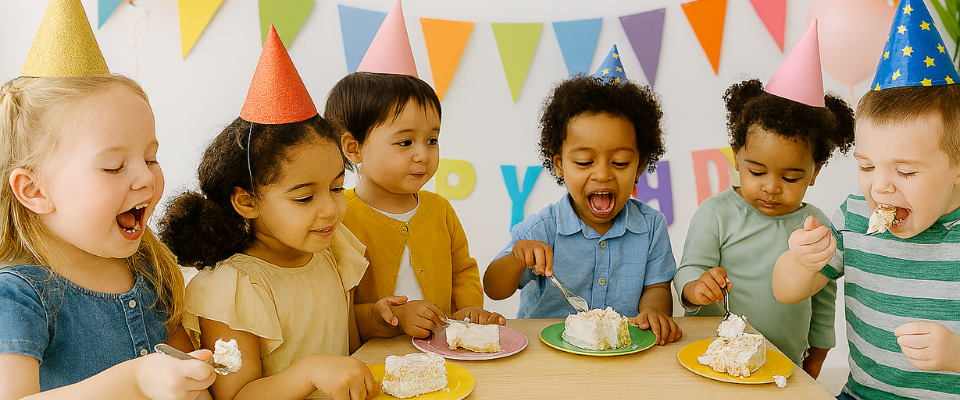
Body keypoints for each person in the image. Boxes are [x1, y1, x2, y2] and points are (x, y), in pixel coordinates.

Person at [158, 26, 396, 400]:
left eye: (337, 187)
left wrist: (378, 320)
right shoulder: (234, 287)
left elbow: (348, 347)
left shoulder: (330, 250)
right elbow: (234, 397)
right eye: (304, 198)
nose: (331, 208)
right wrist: (311, 371)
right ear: (247, 202)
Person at [0, 1, 215, 399]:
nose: (146, 178)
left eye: (151, 157)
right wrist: (134, 382)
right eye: (115, 166)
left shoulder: (150, 269)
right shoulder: (17, 295)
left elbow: (187, 377)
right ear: (35, 190)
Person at [772, 1, 960, 398]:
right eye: (867, 166)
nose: (880, 188)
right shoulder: (856, 217)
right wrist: (801, 260)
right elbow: (786, 291)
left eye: (905, 171)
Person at [674, 22, 853, 378]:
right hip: (713, 358)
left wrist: (818, 352)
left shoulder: (814, 225)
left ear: (815, 172)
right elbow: (688, 270)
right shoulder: (716, 213)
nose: (771, 187)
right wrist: (697, 288)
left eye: (790, 177)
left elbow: (824, 294)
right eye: (757, 172)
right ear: (736, 157)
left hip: (785, 365)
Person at [482, 46, 680, 345]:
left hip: (621, 350)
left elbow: (657, 288)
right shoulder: (542, 229)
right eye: (585, 162)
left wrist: (653, 311)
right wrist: (516, 257)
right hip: (547, 353)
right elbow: (494, 288)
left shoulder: (651, 226)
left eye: (621, 162)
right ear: (559, 165)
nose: (602, 174)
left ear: (640, 166)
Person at [325, 71, 504, 340]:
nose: (423, 155)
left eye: (432, 140)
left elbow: (463, 272)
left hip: (443, 357)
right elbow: (335, 306)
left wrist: (469, 310)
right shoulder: (337, 218)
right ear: (354, 148)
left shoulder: (440, 210)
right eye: (405, 142)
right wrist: (394, 317)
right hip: (373, 362)